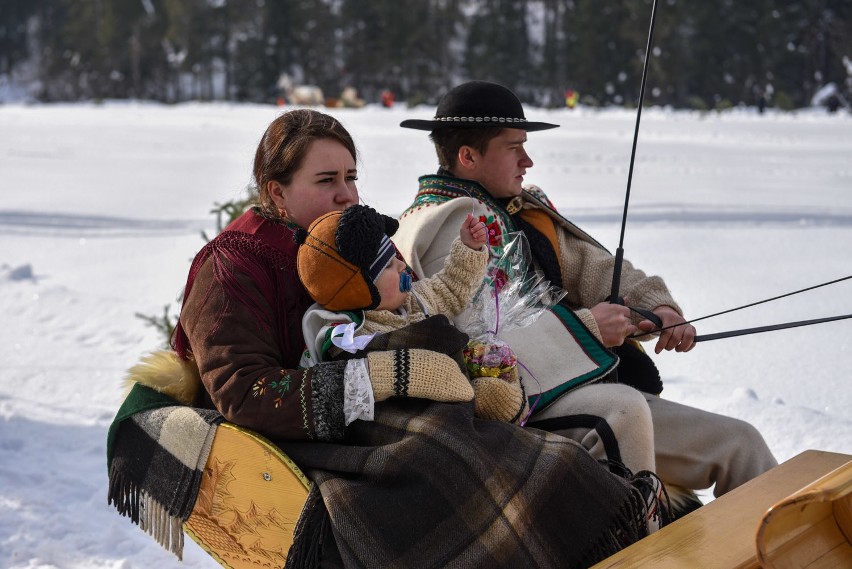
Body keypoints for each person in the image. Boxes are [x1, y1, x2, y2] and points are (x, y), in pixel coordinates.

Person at [112, 107, 666, 568]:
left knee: (519, 449)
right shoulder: (234, 264)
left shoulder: (353, 239)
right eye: (326, 181)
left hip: (381, 410)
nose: (346, 195)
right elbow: (242, 391)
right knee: (451, 459)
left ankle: (615, 528)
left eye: (351, 177)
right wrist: (377, 377)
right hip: (298, 437)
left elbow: (415, 304)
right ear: (276, 192)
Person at [393, 80, 778, 510]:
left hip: (584, 384)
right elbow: (481, 351)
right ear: (468, 156)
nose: (528, 160)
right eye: (514, 147)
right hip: (521, 411)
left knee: (740, 444)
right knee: (624, 412)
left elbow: (590, 265)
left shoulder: (519, 207)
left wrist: (659, 307)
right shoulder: (441, 228)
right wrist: (590, 328)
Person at [294, 204, 528, 424]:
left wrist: (469, 248)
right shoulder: (355, 337)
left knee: (494, 381)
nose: (401, 265)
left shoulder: (416, 300)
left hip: (456, 399)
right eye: (387, 266)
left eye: (395, 257)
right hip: (413, 418)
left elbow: (450, 288)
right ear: (358, 290)